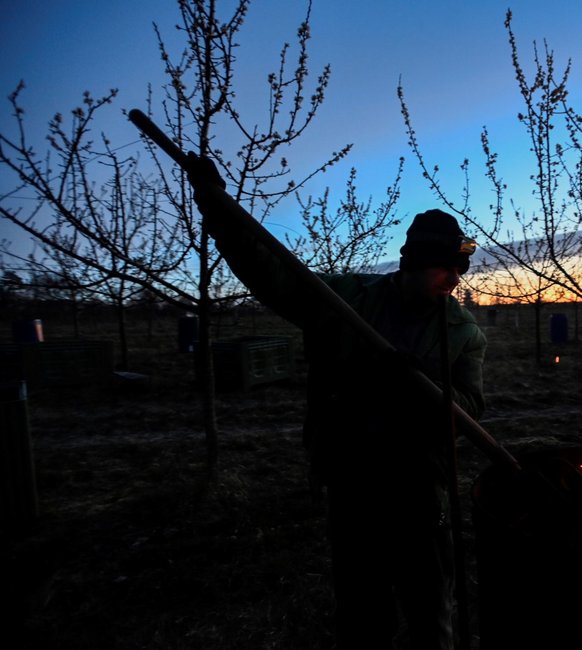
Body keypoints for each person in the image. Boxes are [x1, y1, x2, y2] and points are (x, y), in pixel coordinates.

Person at [186, 154, 486, 650]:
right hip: (353, 479)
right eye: (445, 269)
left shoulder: (463, 331)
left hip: (420, 485)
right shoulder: (347, 300)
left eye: (459, 271)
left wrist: (423, 388)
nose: (454, 280)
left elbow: (472, 408)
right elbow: (270, 275)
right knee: (364, 615)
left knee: (432, 612)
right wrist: (217, 209)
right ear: (413, 263)